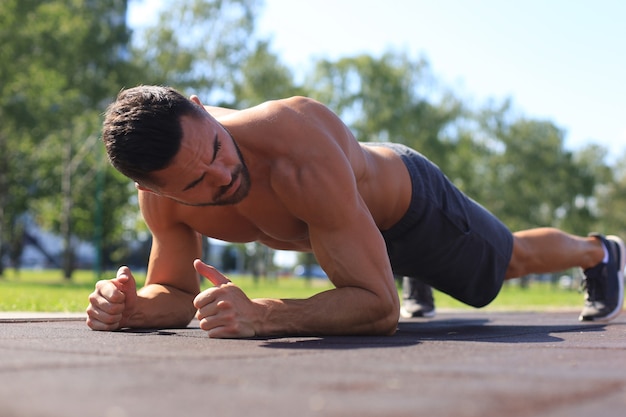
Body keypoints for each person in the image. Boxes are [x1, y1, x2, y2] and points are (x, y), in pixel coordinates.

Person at [86, 85, 625, 338]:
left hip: (408, 210)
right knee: (363, 265)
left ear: (201, 109)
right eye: (199, 183)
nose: (223, 176)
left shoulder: (296, 150)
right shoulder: (158, 195)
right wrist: (130, 307)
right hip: (348, 235)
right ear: (153, 190)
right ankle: (393, 268)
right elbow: (177, 296)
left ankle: (598, 252)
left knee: (509, 262)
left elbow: (377, 309)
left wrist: (264, 315)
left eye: (218, 151)